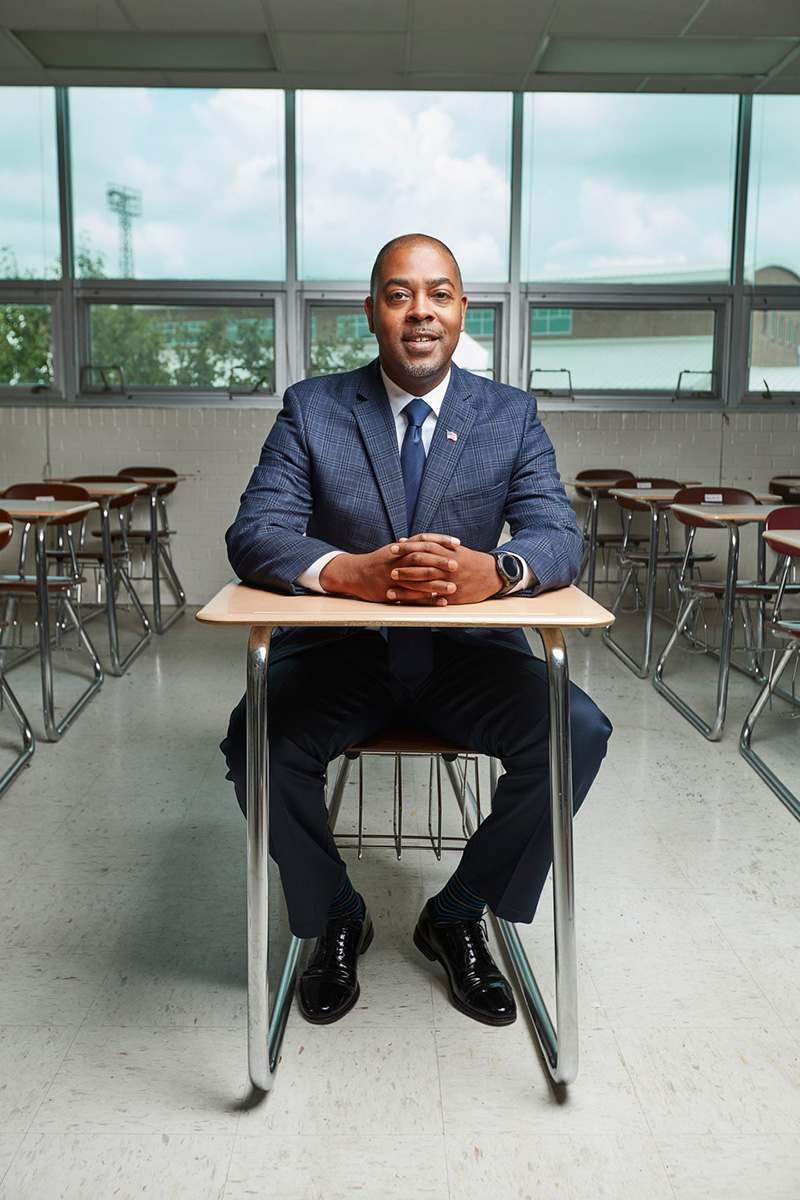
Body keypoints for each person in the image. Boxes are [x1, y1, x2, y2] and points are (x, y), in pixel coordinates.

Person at [221, 233, 611, 1028]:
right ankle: (335, 910)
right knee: (256, 738)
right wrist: (347, 570)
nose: (420, 311)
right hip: (342, 657)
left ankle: (460, 912)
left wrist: (495, 572)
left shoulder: (509, 414)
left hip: (465, 657)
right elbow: (255, 531)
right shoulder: (314, 408)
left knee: (578, 731)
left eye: (439, 293)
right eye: (400, 294)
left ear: (463, 311)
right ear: (373, 312)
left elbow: (558, 536)